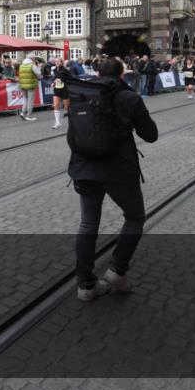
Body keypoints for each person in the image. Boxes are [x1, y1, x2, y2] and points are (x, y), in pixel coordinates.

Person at [67, 58, 158, 301]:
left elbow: (71, 138)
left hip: (85, 168)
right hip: (119, 171)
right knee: (135, 217)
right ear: (121, 74)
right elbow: (151, 135)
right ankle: (118, 270)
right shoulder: (129, 97)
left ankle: (86, 286)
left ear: (97, 73)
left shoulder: (81, 95)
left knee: (88, 225)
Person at [50, 57, 72, 129]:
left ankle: (72, 122)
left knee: (66, 107)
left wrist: (62, 80)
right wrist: (53, 82)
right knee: (56, 105)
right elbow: (55, 78)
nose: (57, 63)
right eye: (56, 62)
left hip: (65, 89)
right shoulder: (54, 70)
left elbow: (71, 79)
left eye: (58, 62)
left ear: (62, 63)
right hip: (57, 89)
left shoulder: (65, 70)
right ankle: (58, 123)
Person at [17, 56, 41, 121]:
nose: (34, 60)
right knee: (30, 100)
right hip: (30, 84)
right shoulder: (32, 65)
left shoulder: (21, 65)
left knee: (25, 99)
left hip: (22, 84)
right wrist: (38, 67)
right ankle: (28, 115)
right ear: (32, 59)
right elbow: (38, 74)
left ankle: (23, 113)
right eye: (34, 59)